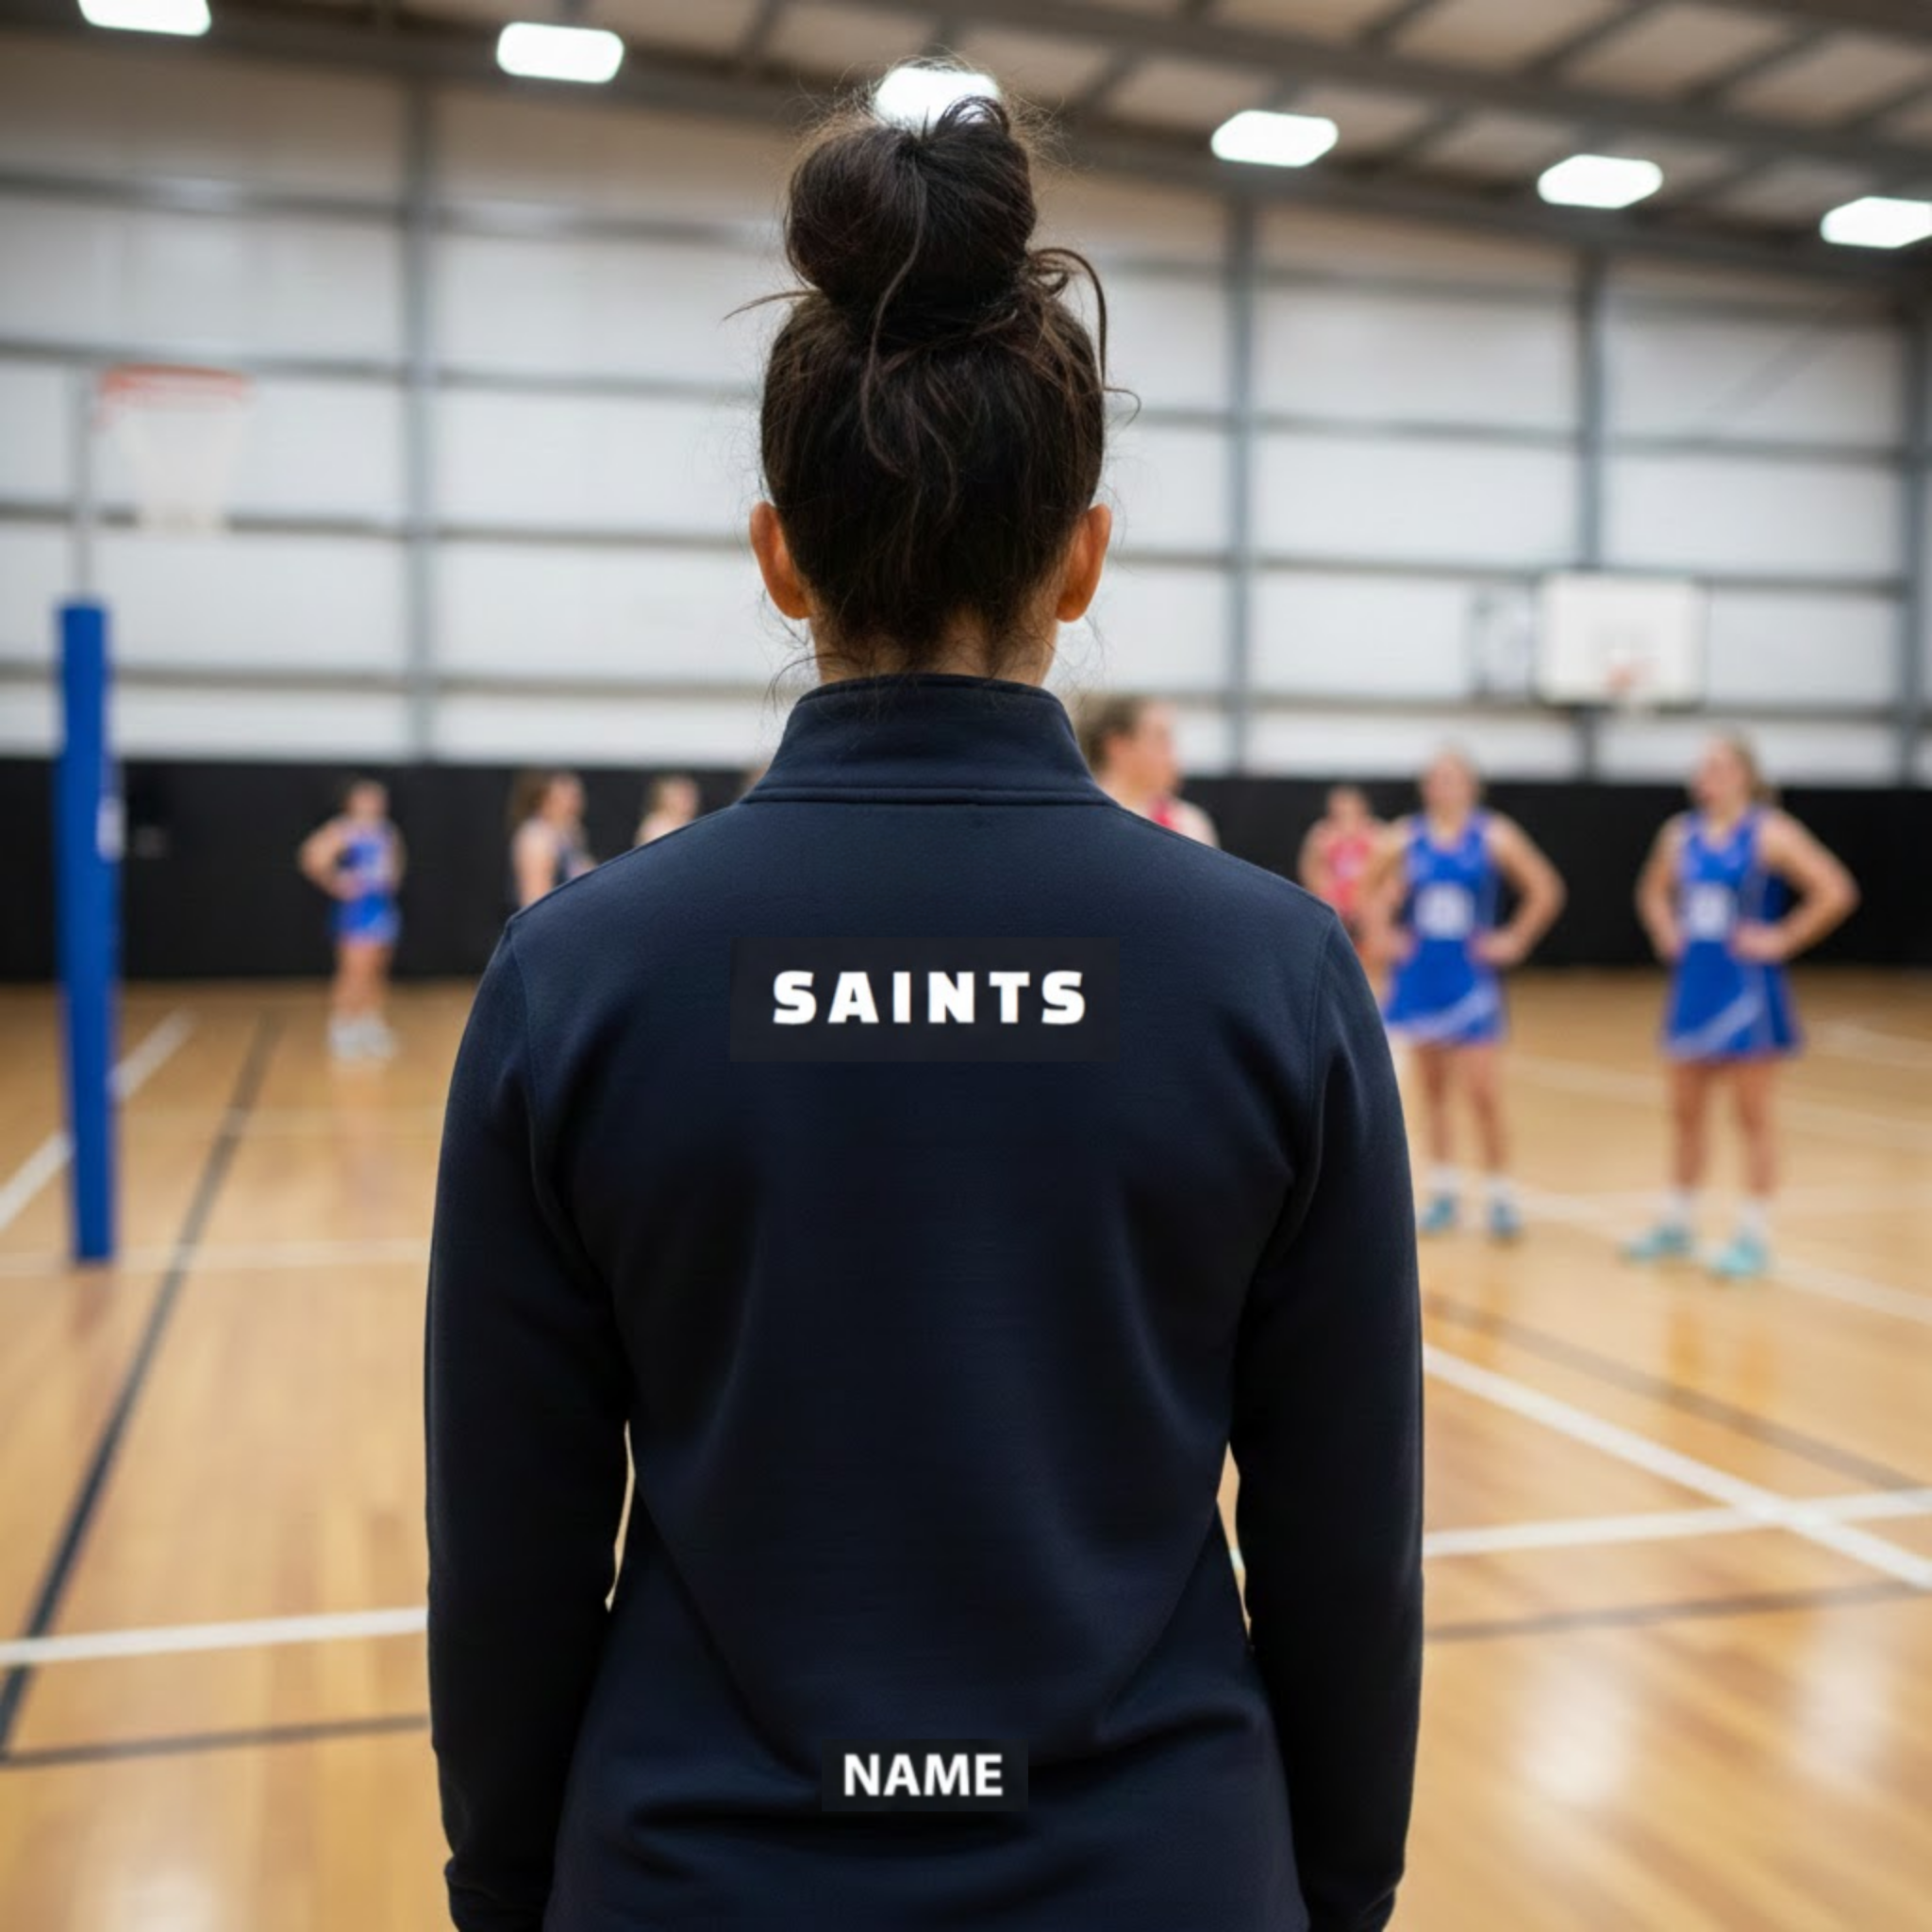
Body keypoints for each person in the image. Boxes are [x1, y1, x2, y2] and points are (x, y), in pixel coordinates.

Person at [428, 93, 1421, 1932]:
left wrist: (508, 1888)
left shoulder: (576, 976)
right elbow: (1344, 1544)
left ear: (778, 555)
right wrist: (1333, 1889)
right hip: (1165, 1871)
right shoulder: (1272, 973)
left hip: (689, 1871)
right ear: (1081, 558)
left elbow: (507, 1547)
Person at [1624, 734, 1857, 1280]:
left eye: (1720, 766)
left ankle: (1754, 1234)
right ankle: (1678, 1221)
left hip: (1747, 993)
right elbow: (1651, 891)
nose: (1707, 775)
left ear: (1745, 776)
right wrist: (1665, 928)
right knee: (1685, 1113)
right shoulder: (1679, 835)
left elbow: (1835, 889)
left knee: (1752, 1116)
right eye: (1703, 766)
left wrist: (1783, 937)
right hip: (1694, 988)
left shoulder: (1770, 832)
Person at [1367, 748, 1565, 1241]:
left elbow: (1545, 888)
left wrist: (1514, 938)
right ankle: (1444, 1193)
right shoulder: (1404, 837)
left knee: (1483, 1092)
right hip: (1421, 976)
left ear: (1472, 785)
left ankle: (1500, 1194)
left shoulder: (1494, 835)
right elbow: (1366, 888)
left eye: (1453, 778)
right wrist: (1382, 934)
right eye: (1436, 778)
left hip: (1471, 980)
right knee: (1433, 1092)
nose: (1444, 786)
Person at [297, 776, 404, 1062]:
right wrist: (336, 882)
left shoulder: (386, 831)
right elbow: (311, 856)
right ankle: (343, 1025)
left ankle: (369, 1022)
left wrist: (390, 879)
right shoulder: (344, 829)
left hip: (382, 906)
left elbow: (394, 864)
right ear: (352, 802)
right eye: (367, 797)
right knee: (354, 970)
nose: (374, 803)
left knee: (378, 968)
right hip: (357, 910)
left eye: (378, 798)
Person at [1076, 692, 1220, 845]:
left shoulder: (1188, 823)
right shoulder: (1082, 817)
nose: (1172, 753)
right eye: (1160, 738)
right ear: (1117, 746)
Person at [1300, 783, 1383, 973]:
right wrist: (1328, 900)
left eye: (1349, 809)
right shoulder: (1321, 836)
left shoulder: (1376, 835)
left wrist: (1367, 904)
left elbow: (1385, 878)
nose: (1345, 815)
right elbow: (1311, 873)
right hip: (1335, 910)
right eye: (1339, 810)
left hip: (1365, 913)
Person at [508, 769, 593, 911]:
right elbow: (534, 904)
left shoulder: (570, 834)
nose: (576, 804)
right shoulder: (536, 837)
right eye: (567, 797)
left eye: (577, 796)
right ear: (544, 799)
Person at [635, 773, 701, 846]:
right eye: (683, 796)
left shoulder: (691, 823)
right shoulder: (656, 826)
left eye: (692, 796)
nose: (690, 801)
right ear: (667, 798)